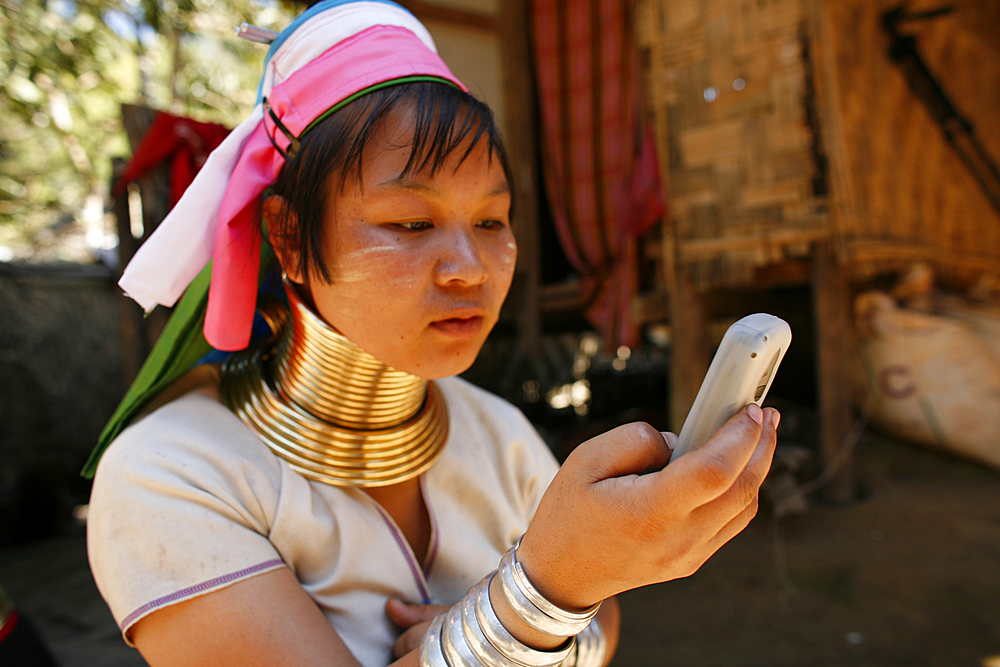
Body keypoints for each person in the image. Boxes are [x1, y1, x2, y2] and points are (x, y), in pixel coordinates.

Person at [84, 2, 780, 666]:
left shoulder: (498, 434)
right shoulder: (171, 473)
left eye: (491, 221)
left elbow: (604, 622)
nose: (470, 269)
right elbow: (581, 604)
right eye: (411, 224)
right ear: (289, 239)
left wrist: (520, 614)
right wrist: (537, 599)